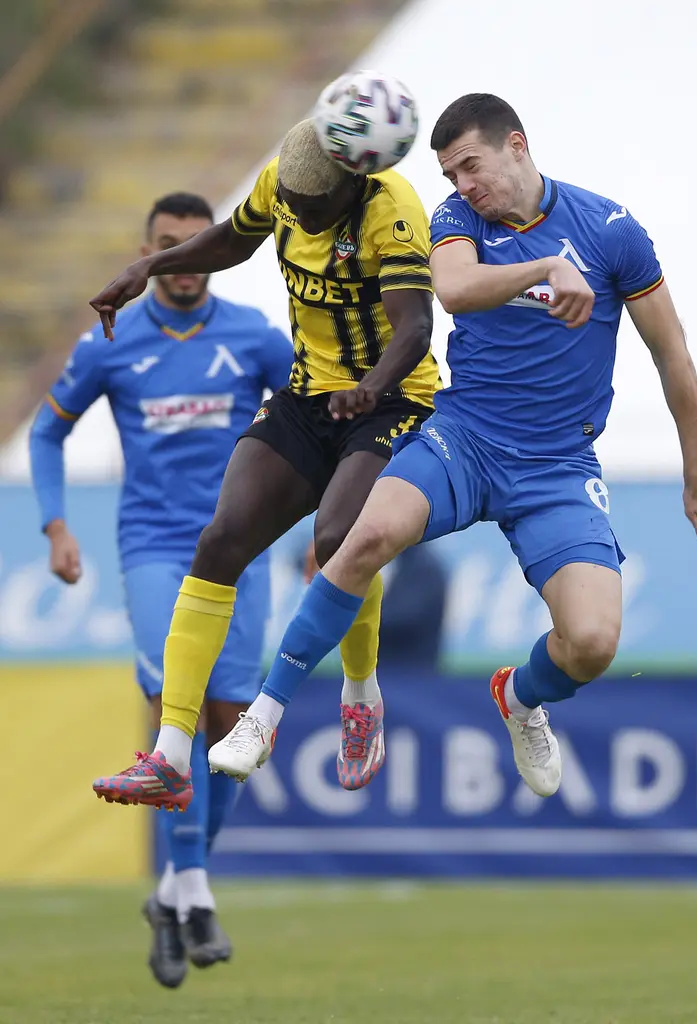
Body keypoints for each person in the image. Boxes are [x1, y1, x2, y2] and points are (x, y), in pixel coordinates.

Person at [206, 93, 697, 796]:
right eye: (450, 174)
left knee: (592, 644)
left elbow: (671, 353)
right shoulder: (457, 220)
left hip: (557, 467)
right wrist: (543, 269)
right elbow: (455, 289)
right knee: (362, 536)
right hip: (463, 440)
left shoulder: (610, 230)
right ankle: (263, 716)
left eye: (471, 165)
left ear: (516, 145)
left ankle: (521, 697)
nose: (463, 184)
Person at [89, 118, 438, 804]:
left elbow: (416, 326)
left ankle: (361, 697)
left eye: (313, 207)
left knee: (337, 542)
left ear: (349, 184)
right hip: (308, 397)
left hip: (391, 400)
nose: (299, 217)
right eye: (292, 206)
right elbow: (233, 238)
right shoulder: (284, 181)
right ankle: (169, 756)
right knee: (220, 541)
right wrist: (150, 267)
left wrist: (370, 388)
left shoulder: (392, 209)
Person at [29, 191, 294, 988]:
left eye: (194, 243)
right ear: (147, 253)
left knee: (234, 732)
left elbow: (315, 423)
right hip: (154, 548)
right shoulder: (112, 341)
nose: (181, 260)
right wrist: (55, 526)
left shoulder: (254, 337)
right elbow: (47, 430)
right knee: (175, 707)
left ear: (214, 250)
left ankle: (173, 890)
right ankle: (198, 893)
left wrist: (325, 522)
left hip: (241, 549)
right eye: (166, 244)